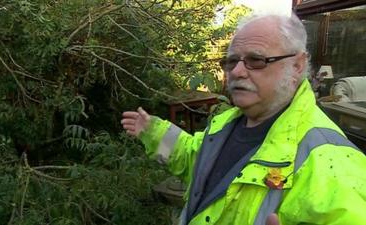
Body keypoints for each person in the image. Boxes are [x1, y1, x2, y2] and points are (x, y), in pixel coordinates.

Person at [121, 13, 366, 225]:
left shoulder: (332, 162)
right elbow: (197, 160)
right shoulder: (226, 122)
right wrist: (154, 132)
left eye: (256, 60)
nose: (236, 72)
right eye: (232, 61)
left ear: (297, 65)